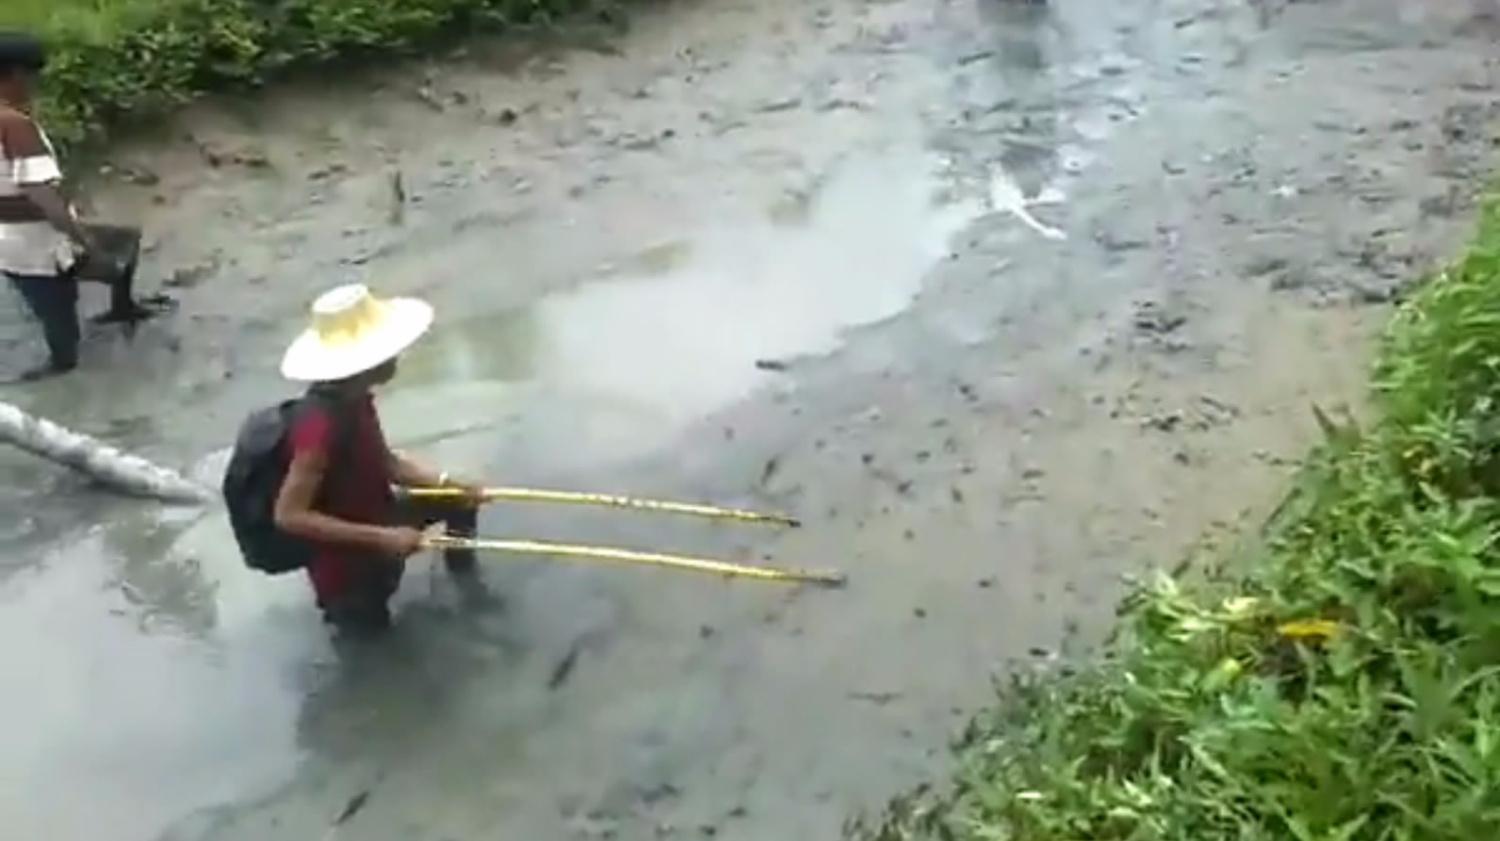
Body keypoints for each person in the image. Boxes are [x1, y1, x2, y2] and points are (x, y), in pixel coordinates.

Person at [273, 283, 491, 636]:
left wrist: (448, 483)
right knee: (375, 646)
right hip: (347, 568)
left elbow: (386, 463)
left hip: (379, 513)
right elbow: (289, 516)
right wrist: (384, 539)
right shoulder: (318, 427)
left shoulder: (356, 399)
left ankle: (468, 585)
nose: (397, 356)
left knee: (458, 502)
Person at [0, 31, 147, 381]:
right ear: (16, 75)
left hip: (14, 239)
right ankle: (61, 364)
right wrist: (83, 238)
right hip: (34, 240)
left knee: (125, 241)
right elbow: (40, 194)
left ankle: (121, 308)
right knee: (60, 308)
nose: (36, 83)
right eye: (33, 75)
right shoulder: (15, 125)